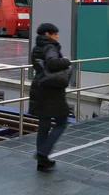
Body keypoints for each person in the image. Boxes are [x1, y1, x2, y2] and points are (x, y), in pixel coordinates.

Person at [29, 23, 72, 172]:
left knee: (44, 124)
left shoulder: (37, 47)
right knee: (62, 122)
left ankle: (42, 161)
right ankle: (43, 152)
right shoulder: (50, 47)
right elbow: (53, 63)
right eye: (55, 34)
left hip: (39, 88)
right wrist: (66, 61)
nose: (57, 36)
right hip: (52, 91)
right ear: (47, 34)